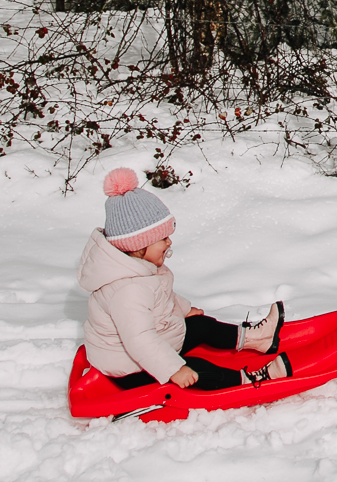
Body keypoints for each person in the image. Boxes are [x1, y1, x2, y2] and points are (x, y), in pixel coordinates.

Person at [78, 167, 290, 390]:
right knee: (194, 368)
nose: (169, 243)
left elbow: (161, 295)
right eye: (162, 238)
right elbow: (139, 340)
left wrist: (184, 310)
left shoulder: (138, 268)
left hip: (140, 350)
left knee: (199, 325)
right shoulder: (127, 289)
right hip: (130, 368)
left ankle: (258, 338)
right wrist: (173, 369)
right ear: (138, 246)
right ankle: (250, 381)